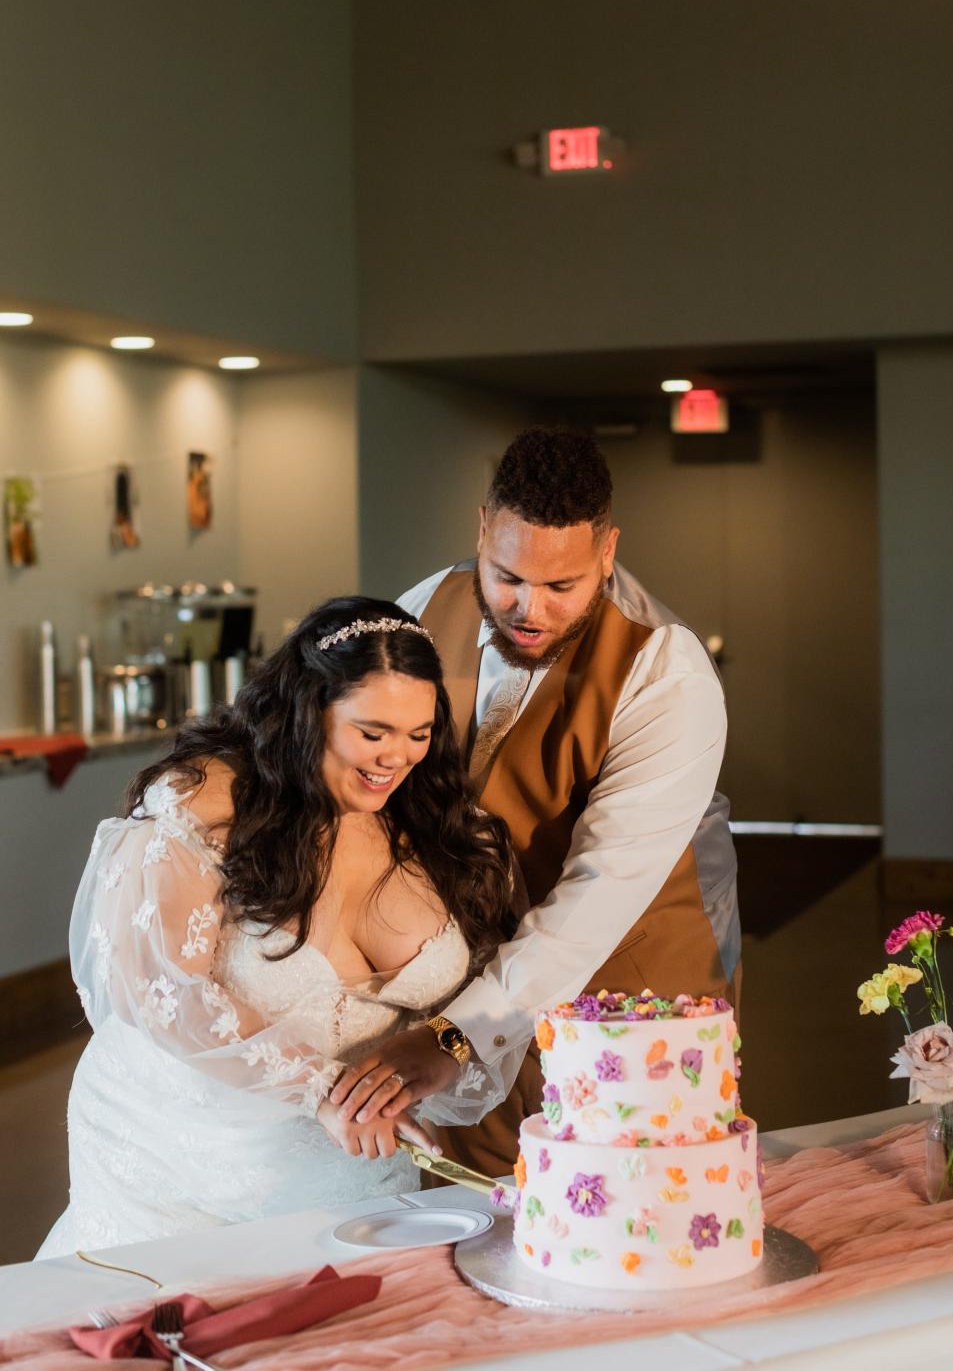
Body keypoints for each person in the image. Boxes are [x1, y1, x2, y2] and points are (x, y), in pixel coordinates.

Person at [37, 597, 520, 1256]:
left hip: (352, 1174)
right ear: (310, 708)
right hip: (178, 1174)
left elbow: (495, 991)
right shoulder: (208, 797)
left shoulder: (435, 824)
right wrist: (319, 1086)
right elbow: (156, 983)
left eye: (418, 732)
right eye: (372, 732)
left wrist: (440, 1049)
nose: (397, 758)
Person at [330, 428, 739, 1177]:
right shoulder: (423, 610)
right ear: (484, 529)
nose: (530, 610)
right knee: (481, 1214)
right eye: (508, 576)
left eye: (562, 587)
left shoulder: (666, 671)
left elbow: (595, 899)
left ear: (608, 552)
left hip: (626, 991)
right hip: (469, 978)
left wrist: (457, 1037)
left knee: (626, 1219)